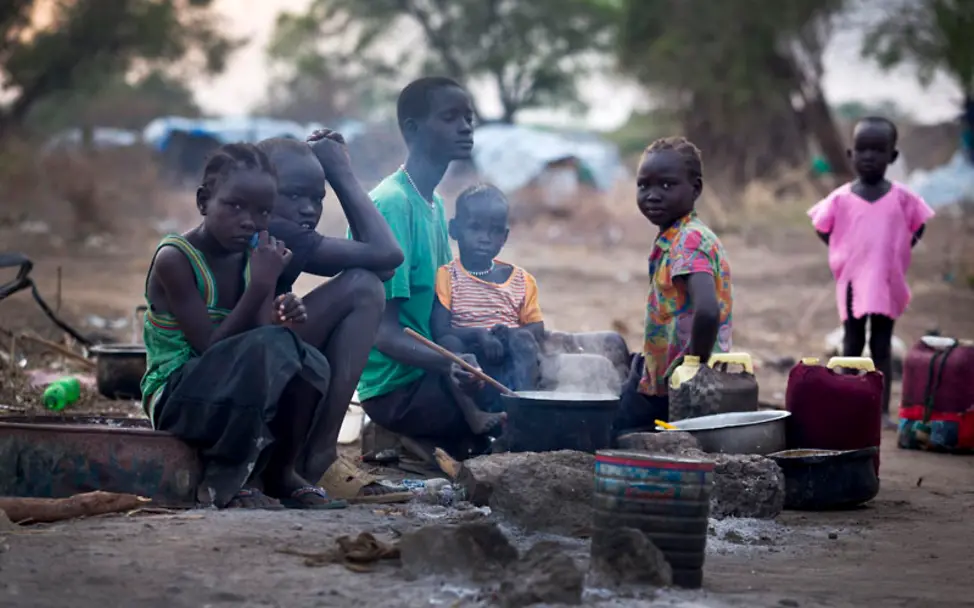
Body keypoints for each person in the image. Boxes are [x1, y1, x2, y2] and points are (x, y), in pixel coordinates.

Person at [140, 143, 345, 510]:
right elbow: (210, 347)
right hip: (175, 397)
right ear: (204, 201)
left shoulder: (255, 253)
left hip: (225, 388)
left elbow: (261, 330)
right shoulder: (176, 259)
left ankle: (282, 472)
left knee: (311, 361)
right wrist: (262, 285)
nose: (249, 220)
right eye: (235, 206)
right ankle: (225, 476)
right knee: (272, 348)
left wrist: (283, 312)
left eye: (263, 211)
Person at [356, 77, 504, 462]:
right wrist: (452, 362)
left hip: (432, 371)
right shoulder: (392, 204)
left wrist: (477, 340)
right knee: (512, 407)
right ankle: (406, 434)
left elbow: (439, 312)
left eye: (469, 117)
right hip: (395, 386)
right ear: (412, 128)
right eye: (451, 117)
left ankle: (432, 441)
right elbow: (383, 335)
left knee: (513, 352)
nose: (466, 126)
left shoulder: (434, 203)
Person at [258, 130, 409, 502]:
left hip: (258, 350)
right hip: (240, 359)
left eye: (317, 198)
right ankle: (319, 455)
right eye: (294, 195)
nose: (309, 209)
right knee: (363, 289)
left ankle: (313, 454)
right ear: (261, 192)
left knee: (366, 284)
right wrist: (340, 174)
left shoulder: (283, 227)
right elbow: (387, 255)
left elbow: (382, 266)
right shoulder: (272, 229)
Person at [431, 183, 629, 404]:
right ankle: (496, 410)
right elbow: (442, 331)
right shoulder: (448, 276)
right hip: (475, 357)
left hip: (514, 357)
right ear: (454, 230)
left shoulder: (520, 280)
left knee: (524, 338)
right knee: (453, 346)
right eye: (475, 228)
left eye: (494, 231)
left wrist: (509, 333)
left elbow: (536, 326)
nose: (485, 238)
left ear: (504, 237)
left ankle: (526, 402)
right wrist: (480, 335)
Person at [808, 116, 934, 428]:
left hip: (887, 283)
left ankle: (880, 410)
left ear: (892, 156)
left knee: (881, 344)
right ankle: (848, 403)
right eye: (862, 149)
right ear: (851, 154)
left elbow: (918, 224)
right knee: (851, 342)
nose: (869, 157)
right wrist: (842, 251)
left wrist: (899, 250)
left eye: (878, 150)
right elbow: (823, 226)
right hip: (852, 283)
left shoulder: (902, 197)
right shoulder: (841, 198)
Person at [615, 136, 733, 433]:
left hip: (679, 383)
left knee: (611, 430)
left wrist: (691, 369)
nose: (652, 195)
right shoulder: (674, 236)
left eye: (666, 185)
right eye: (644, 186)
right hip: (665, 375)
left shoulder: (690, 239)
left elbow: (707, 310)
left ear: (696, 188)